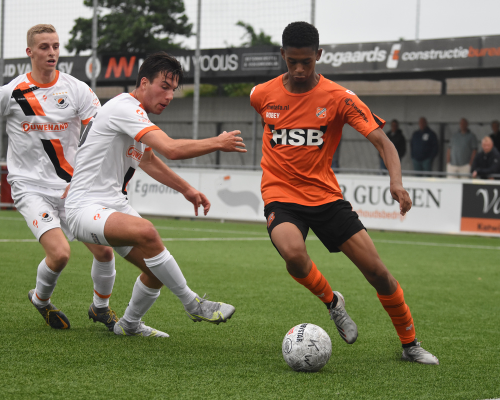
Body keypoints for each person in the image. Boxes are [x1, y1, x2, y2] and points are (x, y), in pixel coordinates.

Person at [250, 21, 438, 364]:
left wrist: (396, 182)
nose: (300, 68)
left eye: (307, 61)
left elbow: (384, 142)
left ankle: (410, 344)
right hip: (280, 194)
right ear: (283, 56)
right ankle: (332, 302)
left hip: (326, 198)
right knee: (293, 254)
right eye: (292, 61)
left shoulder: (339, 98)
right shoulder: (261, 95)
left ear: (319, 55)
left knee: (378, 273)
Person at [65, 52, 246, 337]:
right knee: (148, 232)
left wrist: (187, 189)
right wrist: (217, 142)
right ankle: (193, 304)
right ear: (144, 82)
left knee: (156, 270)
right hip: (83, 207)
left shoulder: (134, 115)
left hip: (113, 205)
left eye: (174, 89)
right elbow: (171, 149)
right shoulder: (126, 107)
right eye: (165, 86)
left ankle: (129, 325)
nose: (170, 95)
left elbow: (148, 160)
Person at [0, 24, 117, 331]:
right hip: (30, 188)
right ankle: (40, 299)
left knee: (105, 251)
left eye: (55, 46)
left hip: (71, 189)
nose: (51, 52)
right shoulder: (11, 94)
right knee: (61, 254)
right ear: (30, 52)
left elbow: (99, 131)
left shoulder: (77, 89)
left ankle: (100, 308)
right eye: (44, 47)